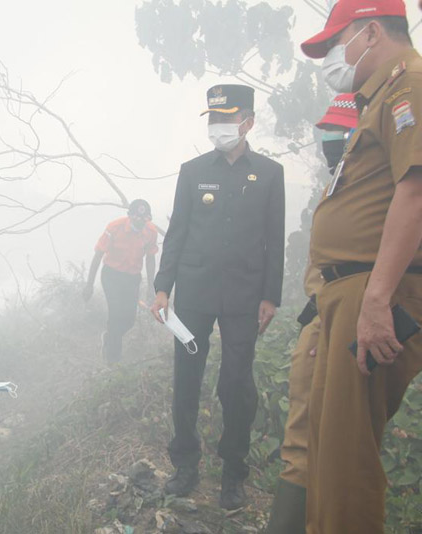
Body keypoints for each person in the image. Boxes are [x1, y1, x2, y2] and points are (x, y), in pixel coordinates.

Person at [300, 1, 422, 532]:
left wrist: (376, 300)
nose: (331, 57)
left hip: (374, 292)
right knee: (328, 452)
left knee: (347, 460)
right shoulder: (380, 97)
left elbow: (416, 193)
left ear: (372, 31)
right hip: (348, 292)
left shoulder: (410, 85)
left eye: (336, 42)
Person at [151, 84, 285, 510]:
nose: (218, 126)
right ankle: (186, 464)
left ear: (248, 121)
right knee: (186, 380)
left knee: (236, 383)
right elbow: (177, 233)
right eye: (213, 118)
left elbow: (274, 240)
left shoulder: (268, 173)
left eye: (227, 118)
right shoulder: (192, 171)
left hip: (245, 296)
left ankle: (233, 473)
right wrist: (161, 287)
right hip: (194, 294)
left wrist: (271, 296)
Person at [265, 93, 358, 534]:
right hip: (321, 314)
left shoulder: (381, 191)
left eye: (343, 131)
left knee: (335, 442)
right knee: (300, 439)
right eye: (328, 131)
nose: (332, 139)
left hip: (348, 321)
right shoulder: (337, 180)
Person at [84, 199, 159, 363]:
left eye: (145, 219)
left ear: (148, 218)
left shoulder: (151, 231)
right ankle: (113, 361)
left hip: (132, 278)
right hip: (112, 275)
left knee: (129, 319)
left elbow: (151, 258)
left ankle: (109, 338)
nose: (141, 222)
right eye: (137, 218)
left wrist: (151, 287)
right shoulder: (114, 227)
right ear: (130, 216)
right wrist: (89, 284)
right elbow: (98, 255)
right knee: (116, 314)